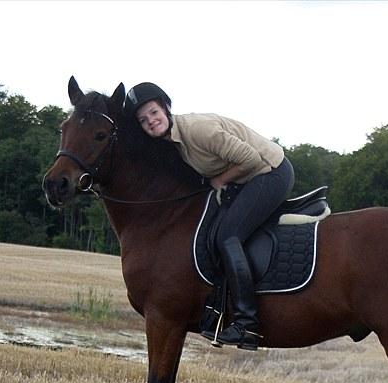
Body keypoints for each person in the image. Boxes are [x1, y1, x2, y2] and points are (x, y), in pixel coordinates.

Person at [124, 82, 294, 351]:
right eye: (143, 120)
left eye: (154, 113)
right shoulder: (171, 143)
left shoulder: (198, 130)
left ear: (166, 108)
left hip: (269, 171)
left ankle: (247, 323)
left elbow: (249, 159)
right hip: (245, 179)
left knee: (228, 235)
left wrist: (219, 180)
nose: (151, 122)